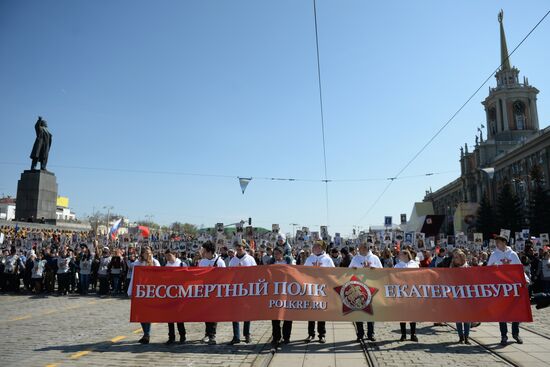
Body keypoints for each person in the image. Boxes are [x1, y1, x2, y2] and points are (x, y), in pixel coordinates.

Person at [487, 234, 524, 346]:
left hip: (513, 287)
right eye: (496, 242)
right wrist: (492, 268)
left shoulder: (513, 254)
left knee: (515, 311)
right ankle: (504, 335)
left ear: (504, 242)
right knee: (502, 312)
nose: (496, 244)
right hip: (501, 287)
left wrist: (525, 280)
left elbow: (519, 268)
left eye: (498, 242)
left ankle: (515, 333)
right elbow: (488, 269)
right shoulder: (494, 255)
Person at [349, 243, 382, 342]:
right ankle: (360, 334)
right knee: (358, 311)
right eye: (359, 248)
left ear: (367, 249)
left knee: (370, 312)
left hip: (371, 287)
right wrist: (353, 269)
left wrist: (374, 270)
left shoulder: (375, 258)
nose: (360, 250)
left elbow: (381, 271)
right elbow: (348, 270)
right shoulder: (355, 258)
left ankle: (371, 333)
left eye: (362, 248)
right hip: (359, 287)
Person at [128, 245, 161, 344]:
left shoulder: (155, 262)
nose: (147, 254)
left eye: (148, 252)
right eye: (145, 252)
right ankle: (145, 333)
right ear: (142, 253)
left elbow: (160, 275)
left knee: (148, 313)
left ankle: (147, 334)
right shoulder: (138, 263)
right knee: (141, 314)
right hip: (140, 291)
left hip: (151, 291)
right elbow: (133, 277)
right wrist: (130, 291)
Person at [304, 240, 335, 343]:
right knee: (311, 312)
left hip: (322, 289)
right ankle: (310, 334)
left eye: (317, 246)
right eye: (314, 246)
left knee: (321, 312)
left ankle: (321, 334)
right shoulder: (310, 258)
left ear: (322, 248)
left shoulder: (327, 260)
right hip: (311, 288)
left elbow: (333, 273)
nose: (315, 248)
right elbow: (303, 271)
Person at [228, 240, 257, 344]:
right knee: (235, 313)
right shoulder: (233, 261)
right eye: (237, 248)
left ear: (244, 248)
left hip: (247, 289)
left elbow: (255, 273)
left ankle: (247, 334)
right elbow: (229, 275)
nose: (239, 250)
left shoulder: (250, 259)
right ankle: (236, 336)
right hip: (236, 289)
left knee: (247, 313)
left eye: (241, 248)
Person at [198, 240, 226, 345]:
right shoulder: (202, 262)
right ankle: (207, 333)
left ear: (208, 251)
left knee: (214, 314)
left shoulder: (220, 262)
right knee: (206, 313)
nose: (202, 252)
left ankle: (212, 335)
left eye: (204, 250)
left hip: (215, 292)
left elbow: (224, 276)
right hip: (205, 291)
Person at [164, 249, 187, 345]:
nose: (167, 258)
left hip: (179, 294)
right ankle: (171, 336)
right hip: (169, 293)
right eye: (166, 256)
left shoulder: (182, 264)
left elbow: (186, 278)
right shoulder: (166, 265)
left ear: (174, 254)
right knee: (170, 317)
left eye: (169, 255)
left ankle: (182, 335)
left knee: (179, 317)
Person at [395, 249, 419, 342]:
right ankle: (403, 334)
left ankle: (413, 334)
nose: (399, 256)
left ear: (406, 255)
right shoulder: (397, 265)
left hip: (412, 291)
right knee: (402, 314)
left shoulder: (414, 264)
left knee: (412, 314)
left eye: (400, 254)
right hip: (401, 292)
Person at [450, 249, 471, 344]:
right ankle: (461, 337)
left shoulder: (468, 268)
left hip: (466, 295)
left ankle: (466, 337)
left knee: (467, 318)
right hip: (456, 295)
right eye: (454, 257)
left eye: (456, 257)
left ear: (462, 258)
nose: (454, 259)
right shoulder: (452, 268)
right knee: (458, 317)